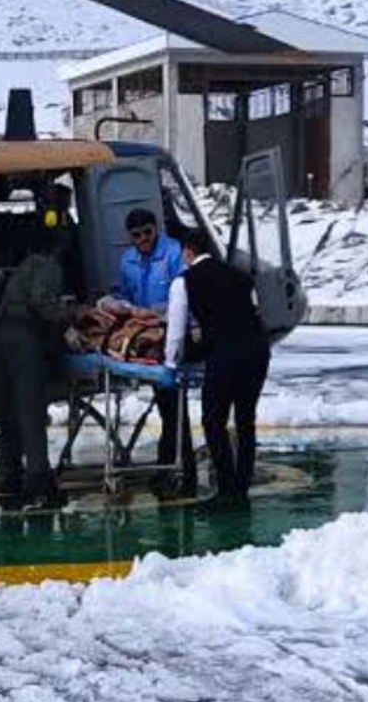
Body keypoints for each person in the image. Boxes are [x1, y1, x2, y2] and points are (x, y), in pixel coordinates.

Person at [164, 228, 271, 500]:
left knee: (214, 421)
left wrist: (170, 362)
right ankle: (241, 484)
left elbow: (175, 331)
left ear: (187, 251)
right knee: (246, 419)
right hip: (257, 351)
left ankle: (226, 486)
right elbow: (254, 311)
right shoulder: (240, 276)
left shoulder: (183, 282)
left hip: (224, 354)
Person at [0, 225, 68, 510]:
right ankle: (38, 482)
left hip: (1, 336)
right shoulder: (48, 265)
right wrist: (67, 318)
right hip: (24, 337)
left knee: (9, 411)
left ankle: (10, 476)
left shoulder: (22, 268)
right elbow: (41, 301)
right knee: (31, 409)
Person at [115, 208, 187, 466]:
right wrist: (125, 307)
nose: (144, 239)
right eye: (137, 235)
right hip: (143, 332)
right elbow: (123, 293)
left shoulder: (173, 252)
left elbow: (184, 291)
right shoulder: (127, 261)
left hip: (171, 330)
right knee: (165, 401)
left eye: (148, 232)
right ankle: (170, 454)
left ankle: (174, 456)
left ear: (156, 229)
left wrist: (162, 312)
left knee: (172, 402)